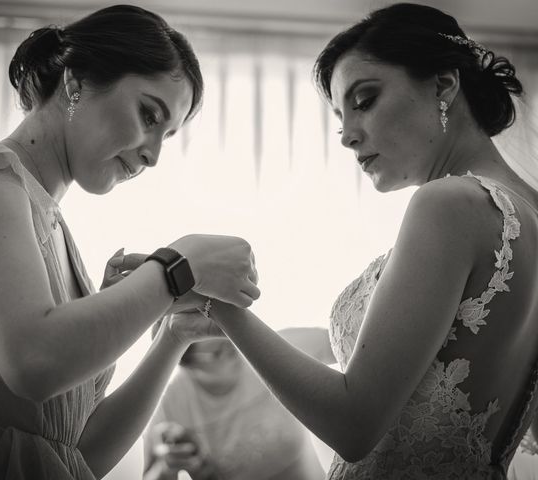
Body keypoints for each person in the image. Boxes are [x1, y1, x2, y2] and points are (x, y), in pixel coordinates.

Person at [172, 3, 538, 478]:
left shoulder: (449, 204)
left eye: (364, 100)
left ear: (444, 86)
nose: (346, 136)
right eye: (339, 116)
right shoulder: (529, 209)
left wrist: (217, 304)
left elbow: (354, 423)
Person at [0, 5, 260, 480]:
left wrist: (171, 337)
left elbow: (75, 453)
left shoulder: (58, 238)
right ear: (75, 83)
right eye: (149, 115)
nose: (153, 154)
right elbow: (34, 362)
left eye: (167, 136)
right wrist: (175, 268)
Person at [142, 324, 333, 480]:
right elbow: (150, 475)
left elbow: (345, 338)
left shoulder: (269, 351)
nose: (236, 351)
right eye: (219, 352)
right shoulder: (170, 403)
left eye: (232, 341)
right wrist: (167, 466)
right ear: (186, 362)